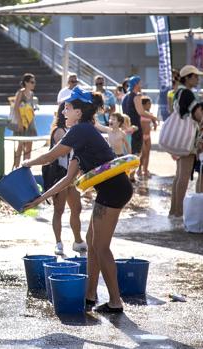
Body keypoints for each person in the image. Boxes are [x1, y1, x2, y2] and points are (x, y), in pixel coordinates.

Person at [23, 86, 134, 313]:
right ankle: (90, 296)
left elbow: (50, 156)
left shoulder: (81, 130)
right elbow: (67, 180)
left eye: (68, 107)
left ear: (79, 112)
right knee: (91, 243)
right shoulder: (82, 135)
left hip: (114, 189)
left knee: (101, 248)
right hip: (110, 189)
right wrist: (39, 198)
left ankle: (115, 302)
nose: (63, 111)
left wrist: (25, 164)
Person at [43, 104, 85, 256]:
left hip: (72, 175)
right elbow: (67, 148)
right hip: (60, 175)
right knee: (59, 210)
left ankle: (78, 240)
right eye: (67, 109)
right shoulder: (59, 131)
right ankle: (58, 242)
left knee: (77, 209)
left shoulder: (72, 129)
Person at [169, 65, 203, 218]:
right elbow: (198, 115)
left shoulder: (178, 92)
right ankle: (179, 212)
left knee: (178, 175)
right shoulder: (187, 93)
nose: (198, 79)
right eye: (195, 76)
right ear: (188, 77)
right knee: (184, 175)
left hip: (180, 139)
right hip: (188, 139)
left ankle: (173, 210)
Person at [121, 76, 157, 182]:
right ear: (136, 84)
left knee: (127, 152)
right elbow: (141, 112)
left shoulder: (125, 96)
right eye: (140, 83)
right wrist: (153, 116)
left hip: (126, 127)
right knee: (136, 153)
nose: (141, 86)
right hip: (135, 128)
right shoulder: (136, 97)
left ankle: (127, 175)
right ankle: (131, 176)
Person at [12, 73, 38, 169]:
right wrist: (19, 122)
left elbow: (29, 107)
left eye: (34, 82)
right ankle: (17, 167)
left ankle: (26, 167)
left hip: (30, 121)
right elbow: (15, 108)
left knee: (29, 146)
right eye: (32, 82)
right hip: (22, 122)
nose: (34, 84)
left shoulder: (32, 94)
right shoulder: (20, 93)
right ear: (26, 83)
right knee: (20, 145)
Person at [138, 96, 156, 177]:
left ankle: (145, 170)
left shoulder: (150, 114)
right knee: (143, 154)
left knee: (147, 153)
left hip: (148, 136)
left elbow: (154, 121)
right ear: (143, 105)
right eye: (149, 103)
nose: (150, 105)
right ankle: (139, 168)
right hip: (142, 136)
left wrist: (155, 124)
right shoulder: (140, 114)